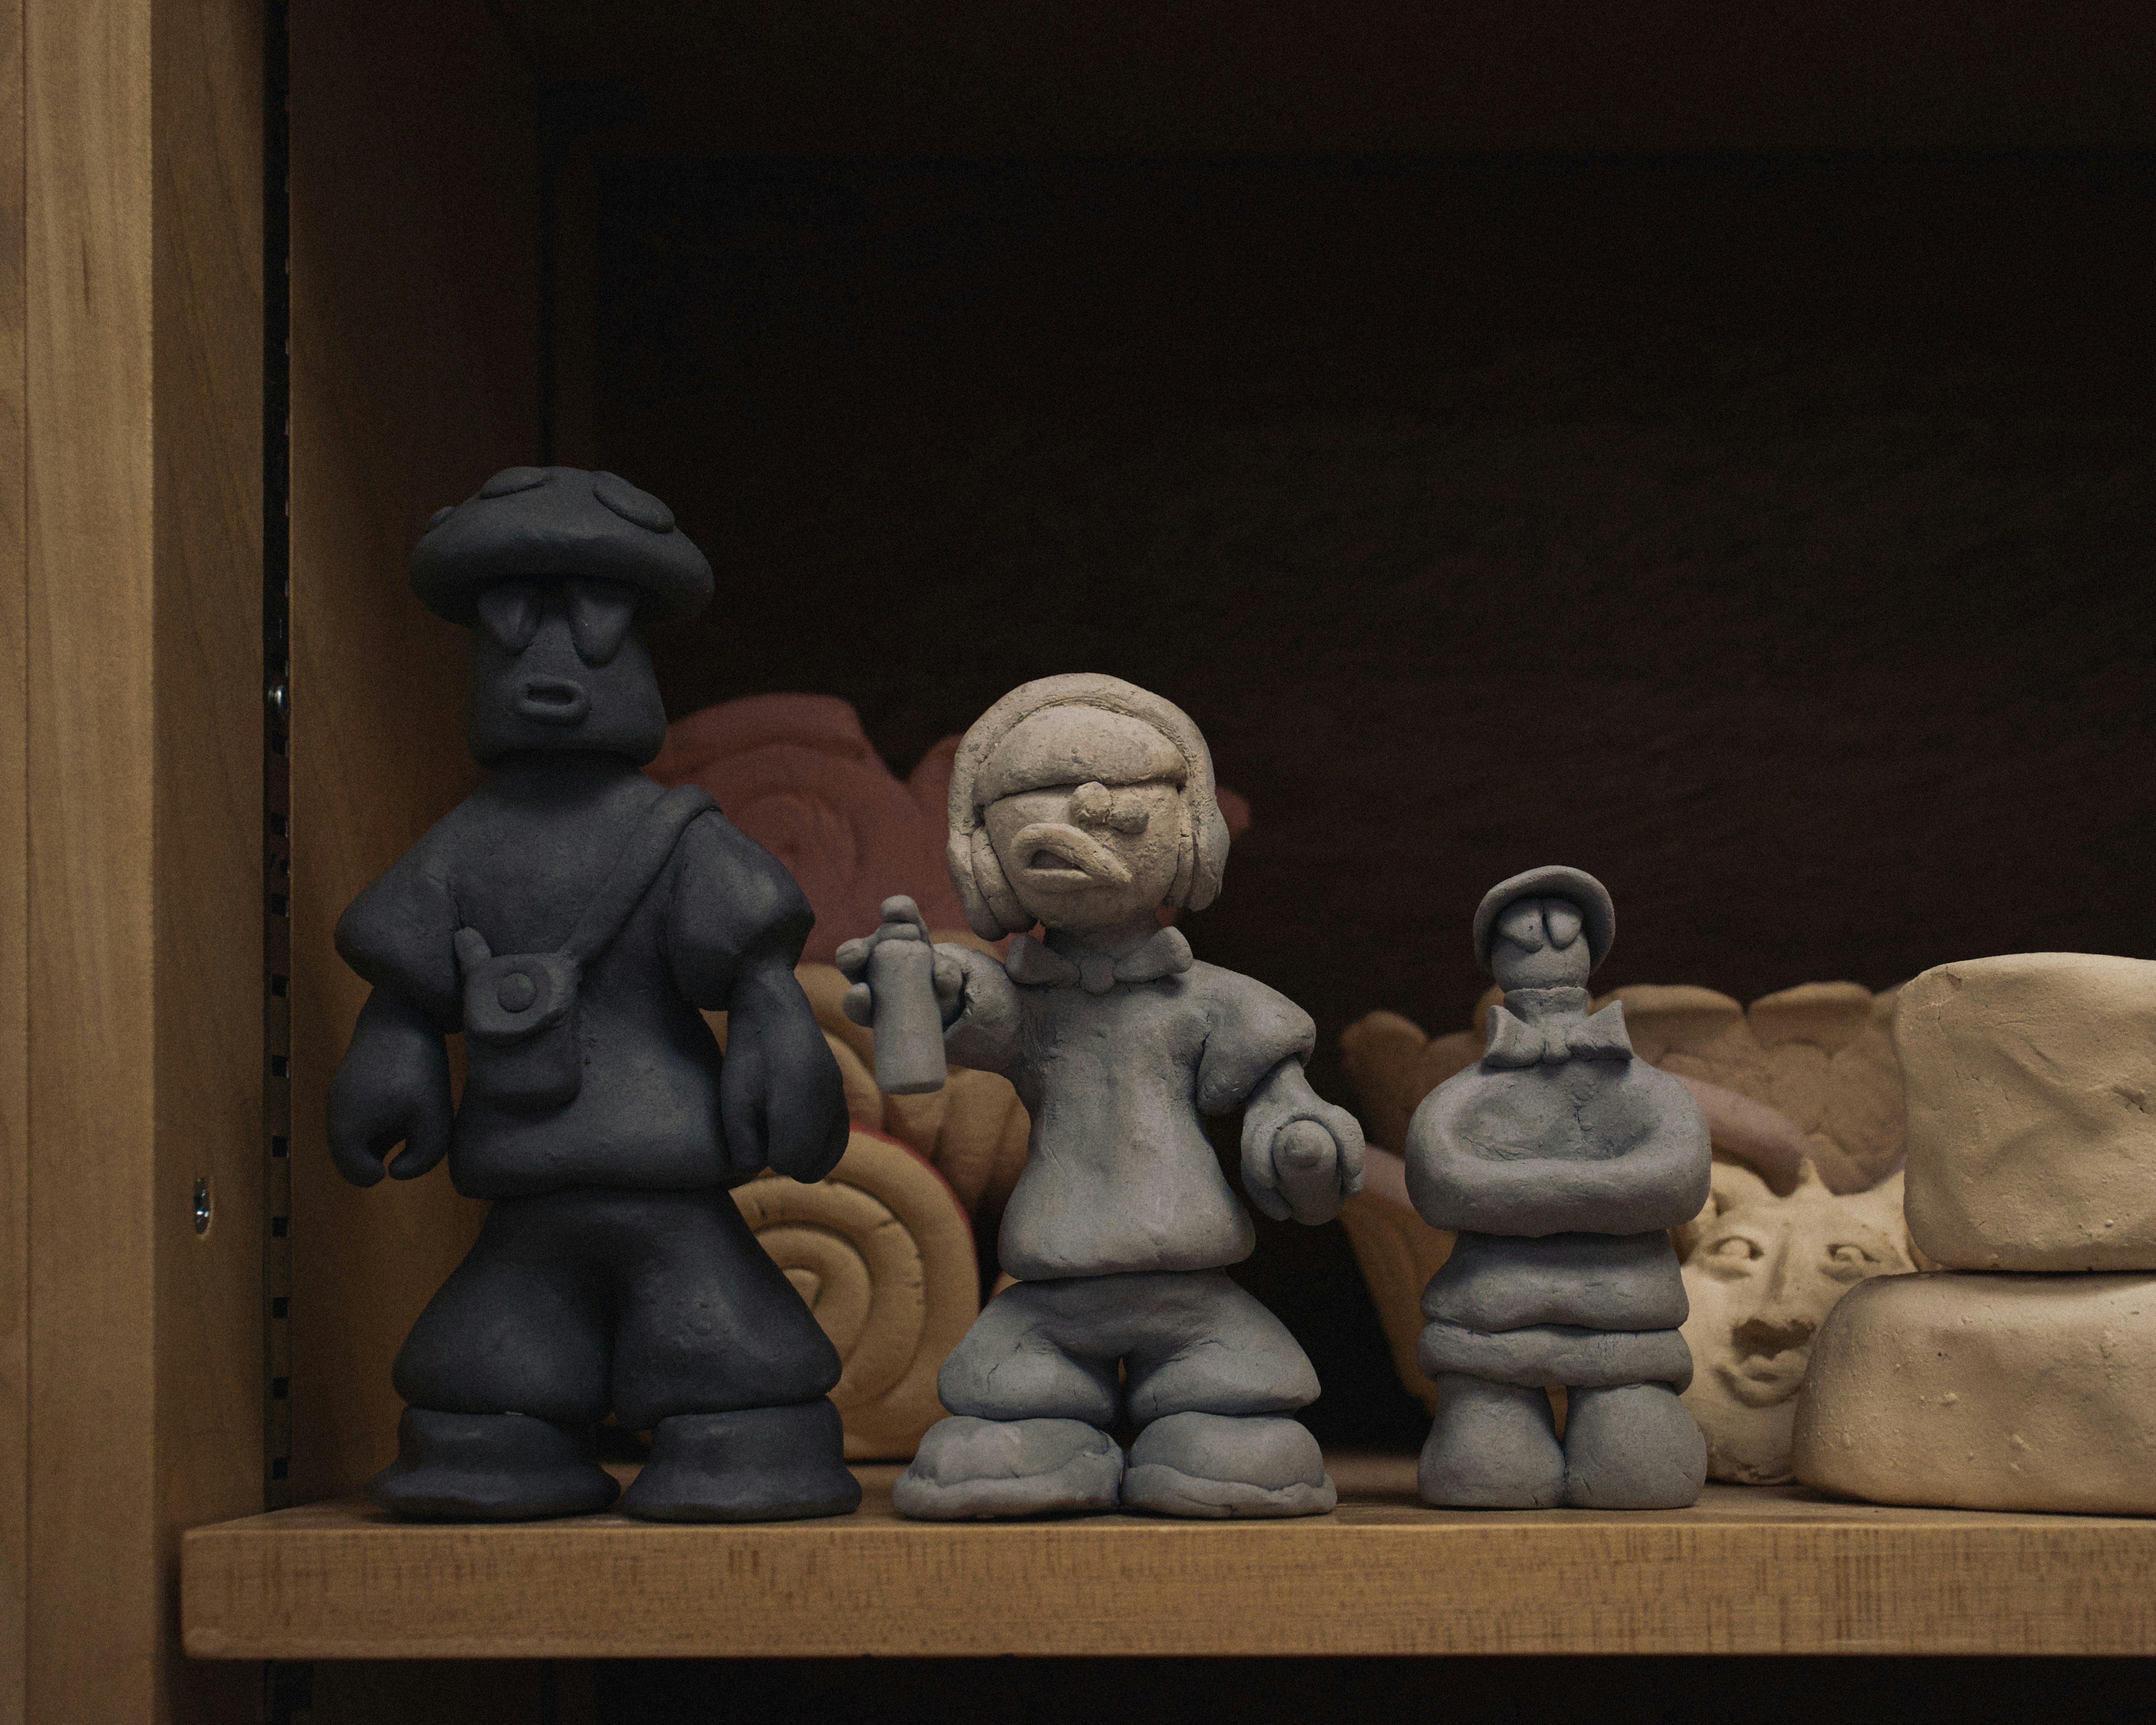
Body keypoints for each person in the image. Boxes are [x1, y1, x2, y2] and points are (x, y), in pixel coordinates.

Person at [329, 466, 858, 1522]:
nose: (551, 678)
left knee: (720, 1342)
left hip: (669, 1182)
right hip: (530, 1189)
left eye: (593, 644)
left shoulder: (672, 836)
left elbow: (751, 957)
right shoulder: (467, 843)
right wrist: (394, 1047)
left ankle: (739, 1439)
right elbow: (407, 976)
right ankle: (498, 1442)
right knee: (491, 1359)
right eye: (514, 647)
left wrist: (776, 1033)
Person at [839, 674, 1364, 1518]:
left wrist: (1298, 1141)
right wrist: (918, 987)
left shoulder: (1209, 1001)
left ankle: (1202, 1439)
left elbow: (1282, 1100)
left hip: (1192, 1293)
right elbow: (967, 1002)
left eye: (1116, 801)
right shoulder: (1026, 1002)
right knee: (995, 1432)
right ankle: (1049, 1441)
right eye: (1038, 799)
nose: (1078, 819)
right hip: (1050, 1293)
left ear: (1190, 835)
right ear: (984, 853)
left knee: (1241, 1439)